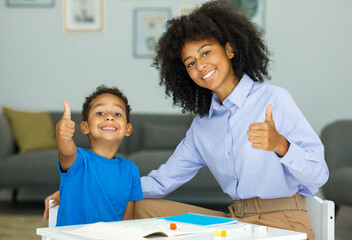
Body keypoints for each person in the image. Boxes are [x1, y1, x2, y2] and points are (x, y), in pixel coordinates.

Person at [44, 1, 328, 238]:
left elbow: (318, 176)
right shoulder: (203, 124)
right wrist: (83, 185)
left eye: (206, 52)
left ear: (229, 50)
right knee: (138, 209)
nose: (200, 66)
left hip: (283, 224)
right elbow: (163, 180)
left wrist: (281, 145)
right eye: (190, 62)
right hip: (234, 224)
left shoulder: (274, 99)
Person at [53, 85, 143, 226]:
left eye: (117, 114)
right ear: (85, 127)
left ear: (128, 129)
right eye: (100, 113)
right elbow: (66, 151)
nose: (109, 117)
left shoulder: (131, 170)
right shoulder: (78, 160)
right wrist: (62, 134)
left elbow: (128, 221)